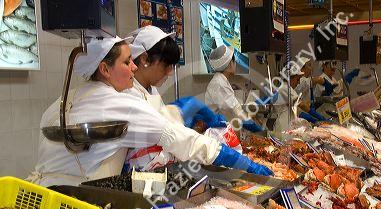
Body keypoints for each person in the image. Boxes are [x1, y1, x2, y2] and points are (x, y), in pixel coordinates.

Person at [31, 36, 273, 187]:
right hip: (80, 196)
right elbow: (180, 139)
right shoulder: (114, 101)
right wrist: (242, 163)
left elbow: (155, 119)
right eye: (127, 62)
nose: (134, 66)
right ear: (104, 69)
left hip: (51, 191)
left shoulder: (67, 98)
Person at [123, 26, 227, 171]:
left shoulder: (151, 89)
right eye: (166, 65)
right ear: (145, 59)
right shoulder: (128, 92)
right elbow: (162, 132)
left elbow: (161, 123)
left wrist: (180, 118)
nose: (170, 72)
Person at [205, 45, 263, 132]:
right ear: (230, 63)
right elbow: (235, 111)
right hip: (218, 133)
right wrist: (256, 128)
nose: (235, 63)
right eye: (234, 61)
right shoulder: (219, 83)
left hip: (222, 131)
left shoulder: (220, 81)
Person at [294, 58, 327, 123]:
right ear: (302, 68)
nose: (312, 68)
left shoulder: (306, 80)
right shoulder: (301, 81)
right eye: (309, 65)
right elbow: (301, 105)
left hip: (305, 111)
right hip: (300, 114)